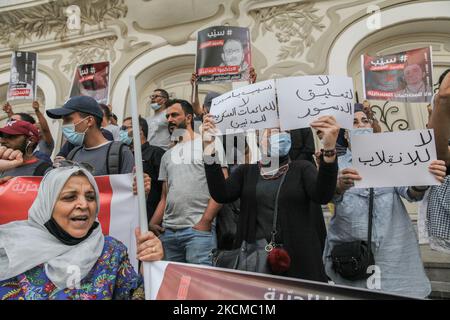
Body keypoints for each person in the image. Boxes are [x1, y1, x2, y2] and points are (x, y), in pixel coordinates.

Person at [322, 105, 447, 298]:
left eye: (365, 120)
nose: (361, 125)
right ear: (346, 135)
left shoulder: (390, 157)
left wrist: (422, 182)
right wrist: (338, 185)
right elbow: (326, 196)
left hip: (393, 250)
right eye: (354, 122)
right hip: (351, 252)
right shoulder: (335, 163)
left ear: (372, 128)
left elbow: (411, 193)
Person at [202, 113, 340, 281]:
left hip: (299, 262)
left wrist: (329, 149)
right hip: (254, 261)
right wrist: (208, 147)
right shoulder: (247, 172)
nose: (281, 135)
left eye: (285, 132)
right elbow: (221, 193)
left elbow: (323, 195)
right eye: (274, 131)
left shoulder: (302, 169)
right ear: (260, 138)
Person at [0, 165, 164, 300]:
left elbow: (135, 295)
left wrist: (151, 267)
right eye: (70, 197)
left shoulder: (111, 251)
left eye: (91, 197)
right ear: (47, 205)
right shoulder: (10, 247)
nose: (84, 205)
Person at [149, 99, 227, 266]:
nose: (169, 119)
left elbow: (223, 185)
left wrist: (205, 221)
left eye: (175, 115)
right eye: (168, 116)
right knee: (171, 289)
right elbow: (165, 195)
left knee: (199, 289)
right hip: (168, 233)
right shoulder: (167, 155)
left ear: (189, 118)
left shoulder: (209, 143)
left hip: (198, 232)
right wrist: (154, 222)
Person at [46, 96, 135, 176]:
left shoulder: (121, 153)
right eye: (63, 121)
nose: (64, 125)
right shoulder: (73, 154)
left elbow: (131, 190)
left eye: (68, 119)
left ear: (89, 121)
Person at [120, 116, 165, 221]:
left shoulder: (156, 153)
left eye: (125, 128)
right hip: (127, 216)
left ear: (139, 131)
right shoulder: (124, 155)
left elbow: (165, 190)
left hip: (149, 216)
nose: (122, 132)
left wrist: (155, 220)